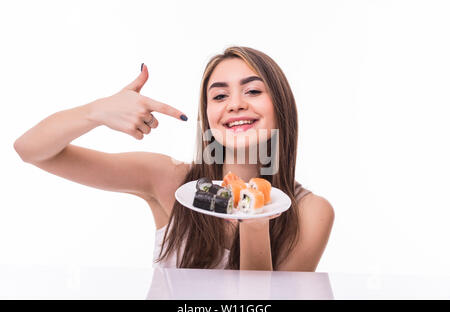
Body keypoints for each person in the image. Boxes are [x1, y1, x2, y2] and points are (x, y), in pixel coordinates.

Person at [14, 46, 334, 271]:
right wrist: (96, 111)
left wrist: (253, 220)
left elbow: (257, 305)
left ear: (281, 106)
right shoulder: (168, 179)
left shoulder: (311, 212)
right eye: (220, 96)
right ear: (206, 116)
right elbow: (31, 150)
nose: (235, 104)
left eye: (252, 91)